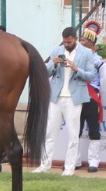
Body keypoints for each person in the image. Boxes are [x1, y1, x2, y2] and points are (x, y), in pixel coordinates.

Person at [35, 26, 101, 176]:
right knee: (49, 133)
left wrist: (76, 68)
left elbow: (91, 75)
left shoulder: (86, 53)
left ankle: (69, 168)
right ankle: (45, 165)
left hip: (74, 98)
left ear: (75, 39)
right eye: (64, 42)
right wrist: (54, 64)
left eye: (69, 42)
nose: (66, 44)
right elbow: (45, 73)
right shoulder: (57, 51)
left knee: (73, 135)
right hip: (56, 97)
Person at [73, 26, 106, 172]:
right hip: (77, 97)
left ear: (91, 42)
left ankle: (93, 161)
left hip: (92, 98)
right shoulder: (76, 58)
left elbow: (105, 83)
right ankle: (75, 160)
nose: (80, 42)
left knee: (93, 129)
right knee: (76, 130)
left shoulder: (98, 61)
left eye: (83, 40)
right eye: (80, 39)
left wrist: (98, 93)